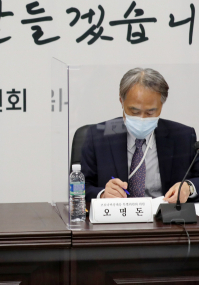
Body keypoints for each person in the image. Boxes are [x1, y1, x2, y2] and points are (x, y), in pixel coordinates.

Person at [81, 67, 199, 203]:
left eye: (150, 112)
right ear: (121, 101)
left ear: (161, 105)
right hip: (117, 215)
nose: (142, 118)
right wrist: (103, 194)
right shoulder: (98, 136)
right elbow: (81, 185)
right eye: (135, 112)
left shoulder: (182, 136)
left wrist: (189, 187)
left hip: (165, 215)